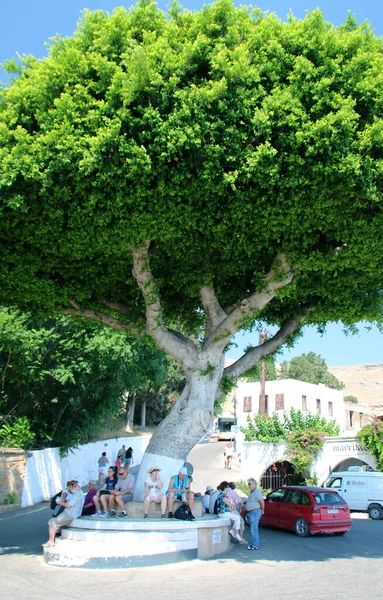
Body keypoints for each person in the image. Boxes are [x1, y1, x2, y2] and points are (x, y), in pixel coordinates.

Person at [44, 480, 84, 547]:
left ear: (78, 487)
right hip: (69, 512)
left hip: (70, 514)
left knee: (52, 522)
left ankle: (51, 541)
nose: (72, 487)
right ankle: (56, 535)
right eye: (72, 486)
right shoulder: (75, 492)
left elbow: (69, 505)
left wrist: (60, 502)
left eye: (74, 486)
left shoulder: (77, 495)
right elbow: (67, 492)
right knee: (54, 523)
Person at [246, 478, 265, 551]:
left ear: (254, 484)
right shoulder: (252, 492)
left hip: (255, 512)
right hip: (252, 512)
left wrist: (262, 510)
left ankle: (255, 545)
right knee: (253, 529)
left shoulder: (257, 492)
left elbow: (262, 502)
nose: (249, 485)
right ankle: (255, 543)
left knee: (254, 529)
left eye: (249, 484)